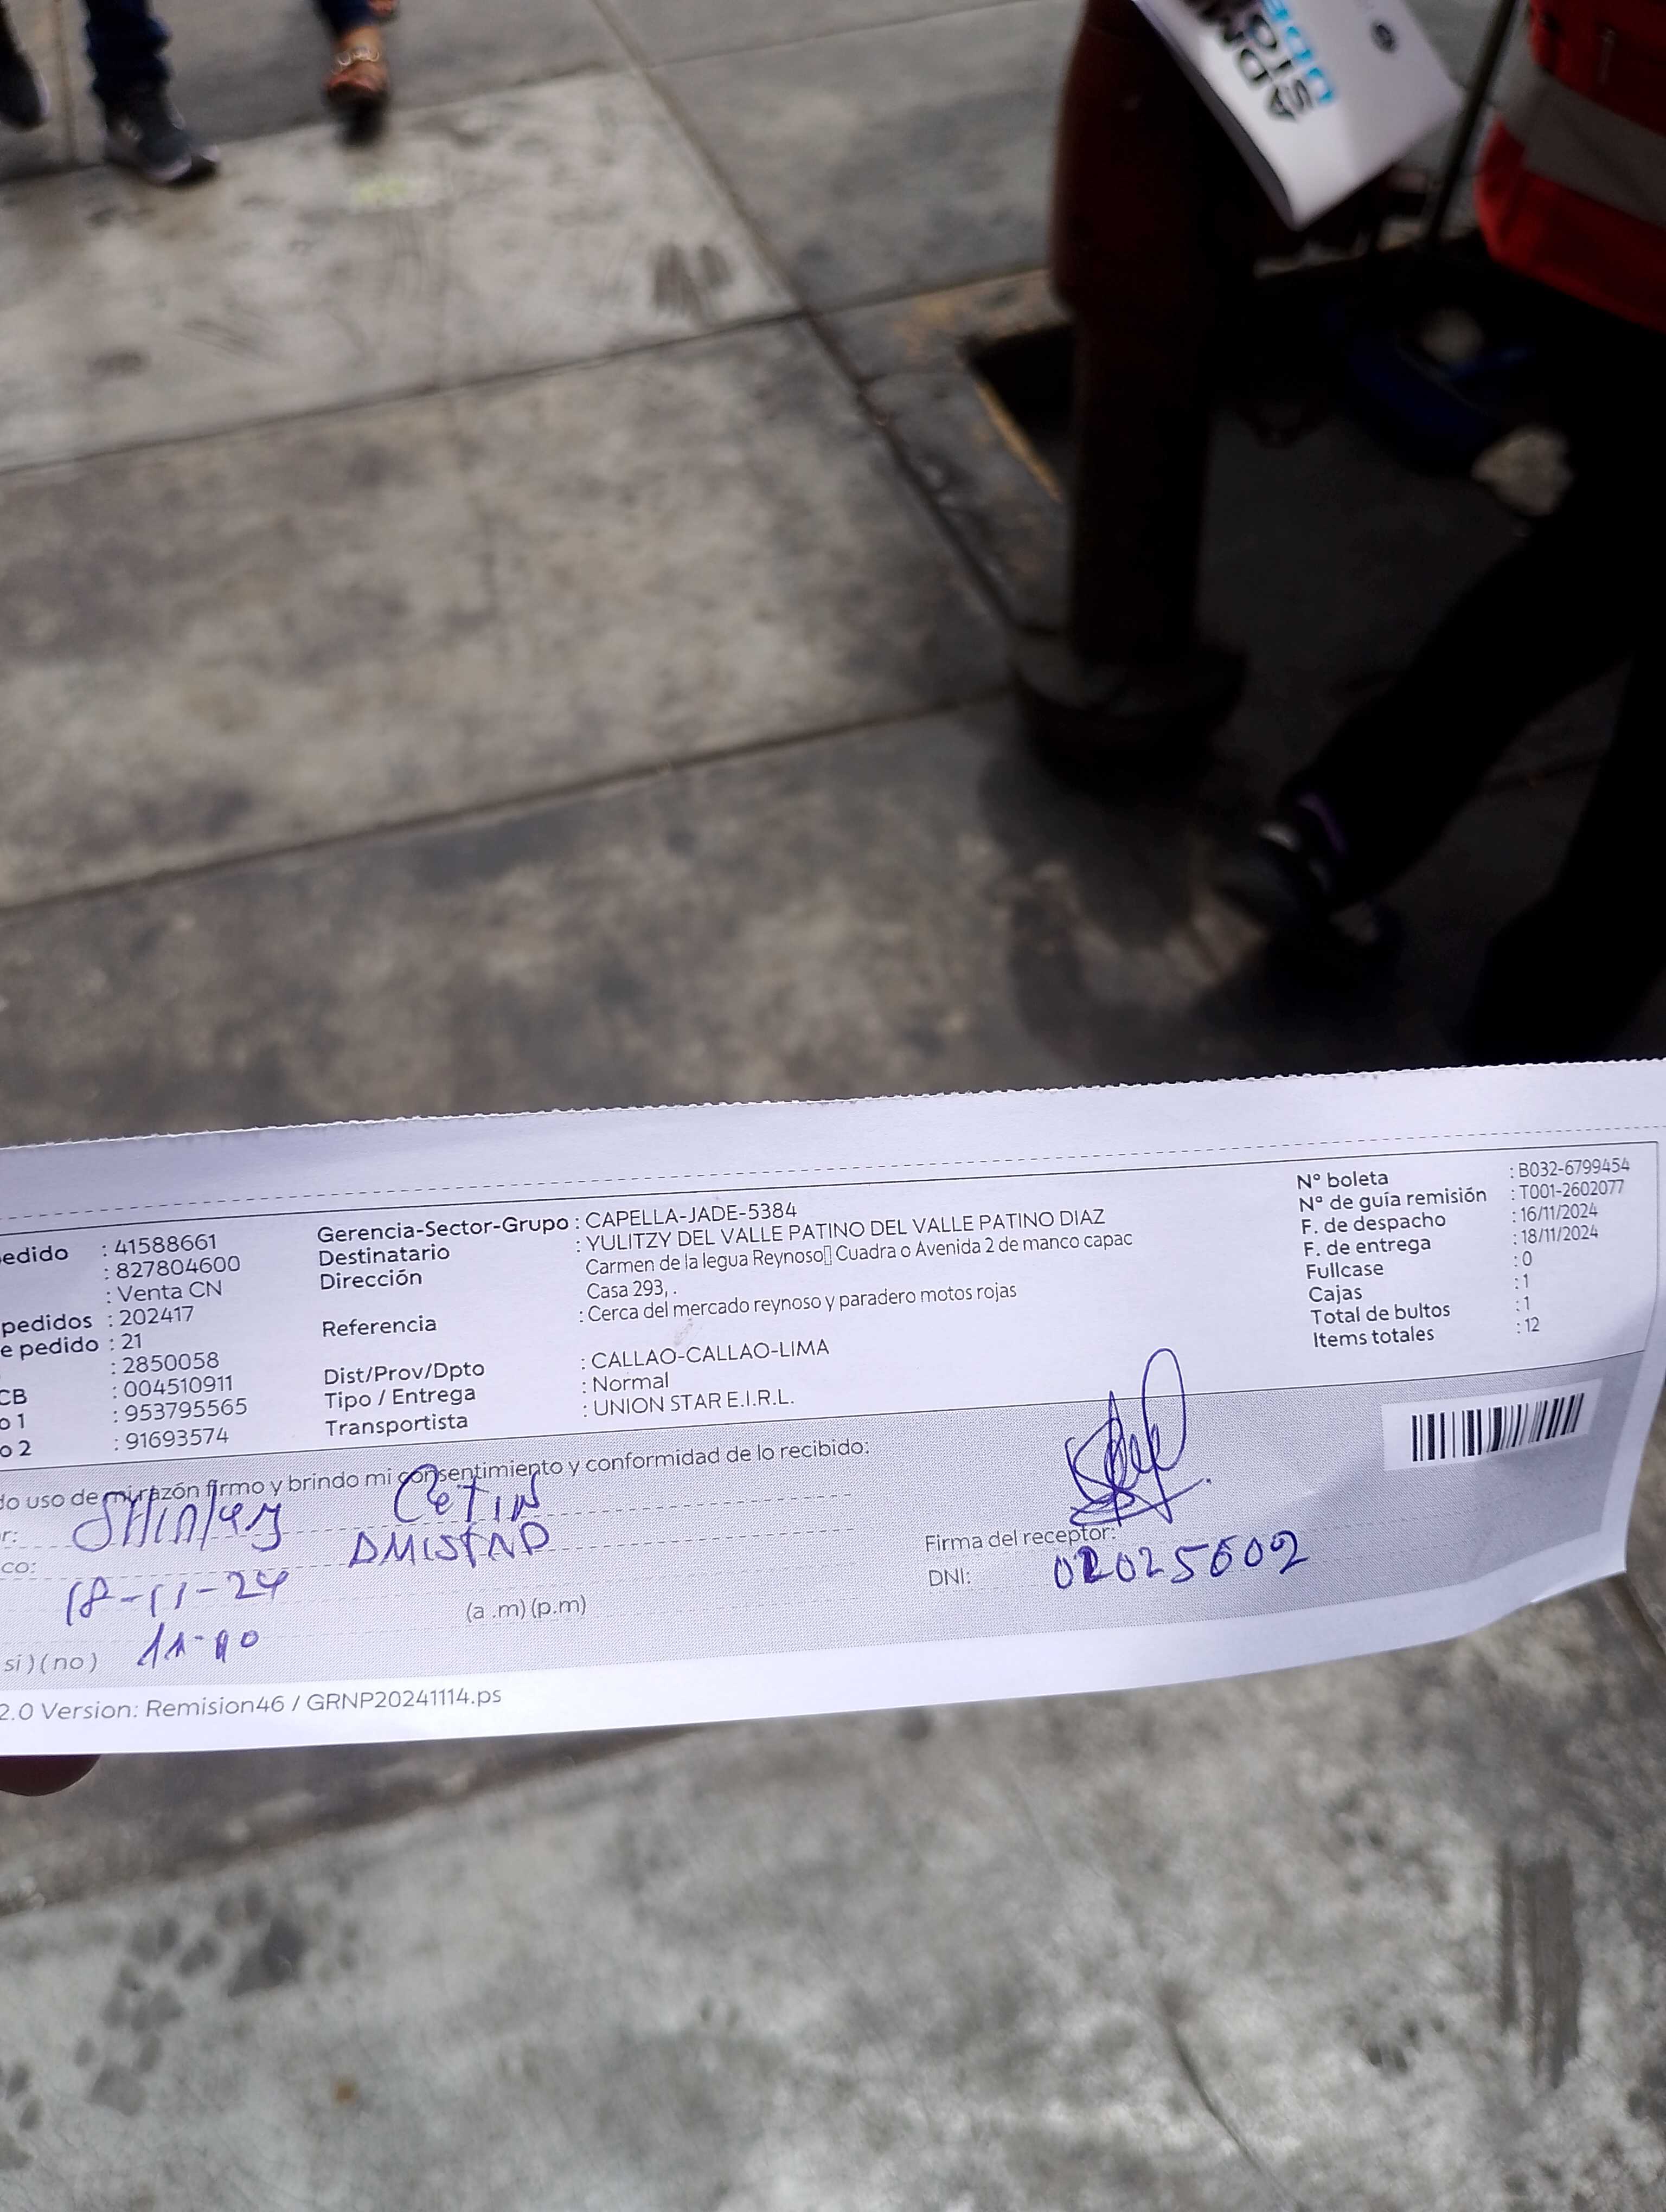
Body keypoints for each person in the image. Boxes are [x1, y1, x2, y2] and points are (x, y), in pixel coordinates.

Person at [1218, 0, 1666, 1061]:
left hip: (1588, 222)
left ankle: (1332, 831)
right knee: (1610, 564)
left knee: (1599, 561)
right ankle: (1553, 1008)